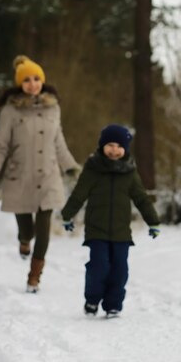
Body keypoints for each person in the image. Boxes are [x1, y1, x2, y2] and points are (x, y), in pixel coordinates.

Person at [0, 55, 80, 293]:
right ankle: (24, 240)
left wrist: (71, 166)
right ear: (20, 84)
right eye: (26, 80)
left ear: (42, 80)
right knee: (28, 229)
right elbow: (0, 145)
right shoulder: (10, 111)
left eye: (36, 78)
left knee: (45, 223)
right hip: (20, 176)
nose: (32, 84)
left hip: (48, 175)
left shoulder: (53, 107)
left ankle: (34, 276)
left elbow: (58, 142)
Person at [61, 124, 161, 318]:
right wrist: (67, 214)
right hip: (96, 229)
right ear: (102, 146)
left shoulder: (130, 172)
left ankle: (113, 305)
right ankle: (92, 299)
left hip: (121, 232)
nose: (114, 150)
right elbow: (79, 194)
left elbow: (141, 198)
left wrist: (153, 222)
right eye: (110, 145)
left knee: (120, 270)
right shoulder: (93, 169)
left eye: (119, 146)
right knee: (99, 267)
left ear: (125, 149)